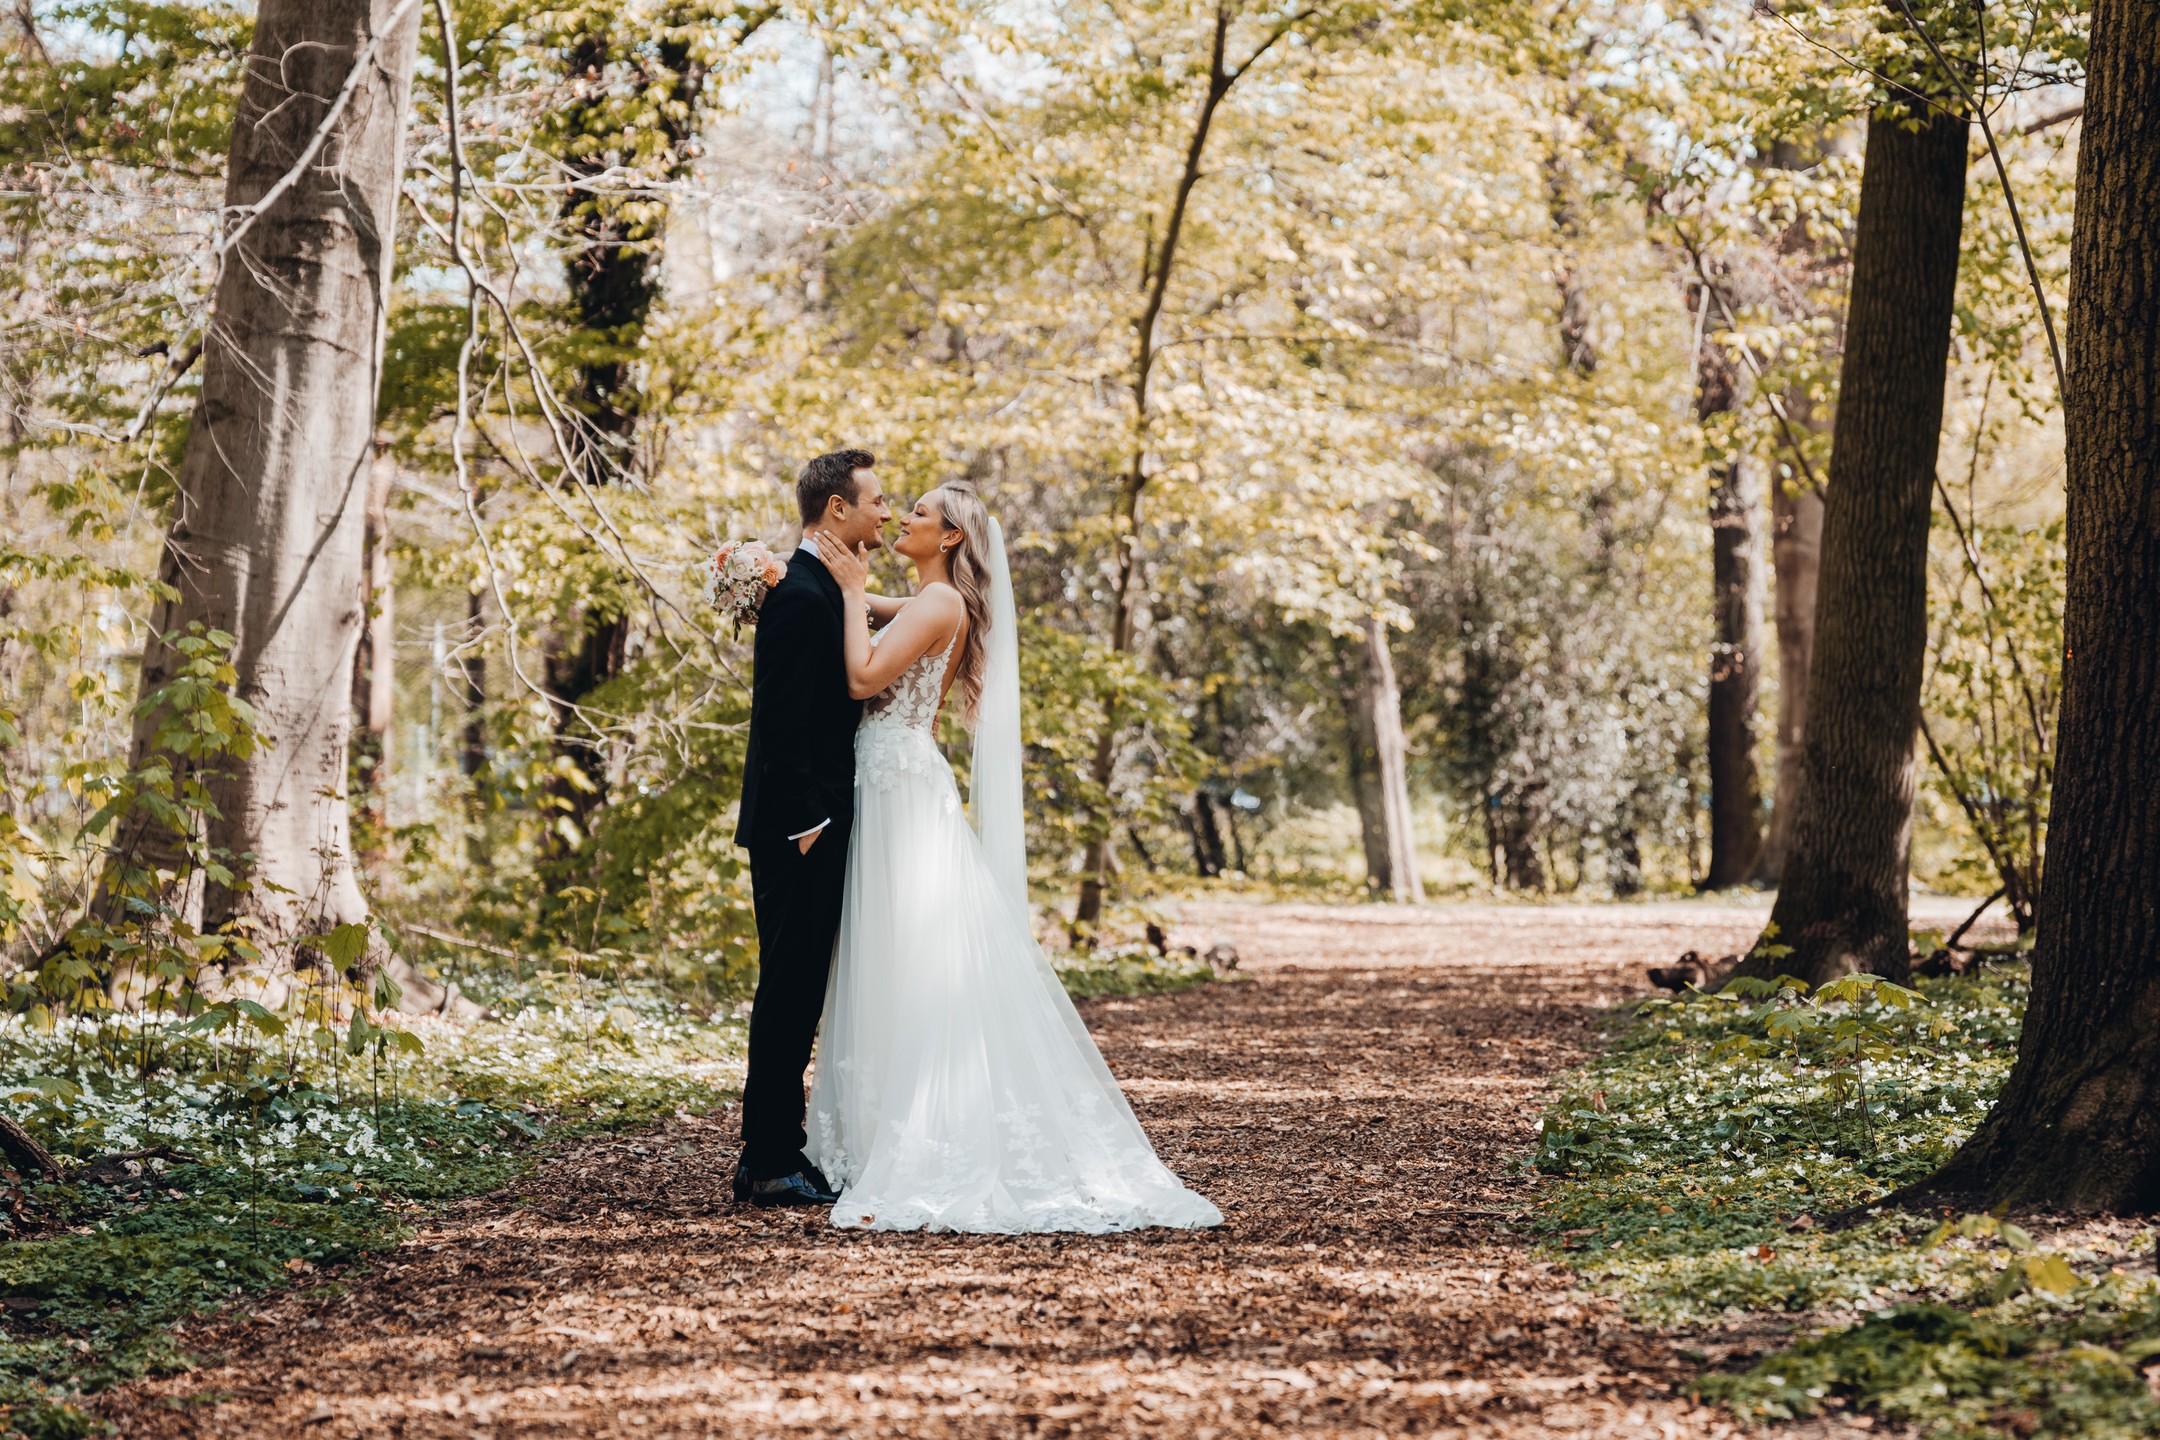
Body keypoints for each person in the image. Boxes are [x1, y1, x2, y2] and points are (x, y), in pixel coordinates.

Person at [801, 482, 1221, 1233]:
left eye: (922, 513)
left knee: (906, 953)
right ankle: (886, 1131)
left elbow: (864, 676)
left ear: (952, 537)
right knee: (899, 953)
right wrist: (808, 579)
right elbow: (871, 621)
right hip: (899, 778)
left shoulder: (936, 604)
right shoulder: (930, 603)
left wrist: (856, 584)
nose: (905, 518)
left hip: (896, 783)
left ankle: (911, 1138)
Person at [731, 448, 891, 1207]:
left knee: (798, 988)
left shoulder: (823, 586)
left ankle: (774, 1151)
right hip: (803, 825)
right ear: (838, 509)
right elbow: (784, 722)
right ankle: (768, 1159)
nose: (885, 513)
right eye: (876, 500)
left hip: (813, 820)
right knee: (789, 991)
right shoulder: (799, 595)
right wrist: (808, 824)